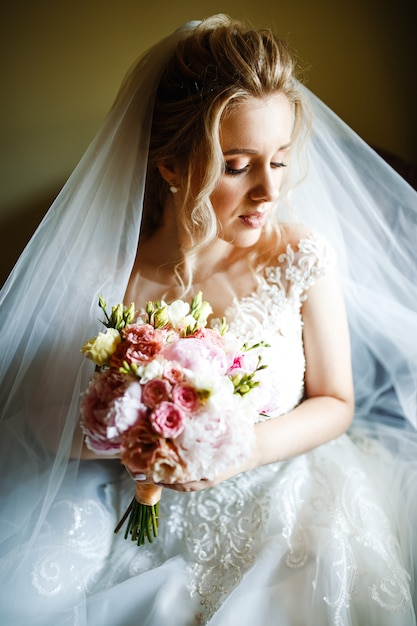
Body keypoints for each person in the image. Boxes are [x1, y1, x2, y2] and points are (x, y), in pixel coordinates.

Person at [0, 14, 417, 626]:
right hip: (140, 508)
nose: (268, 191)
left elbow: (336, 401)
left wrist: (241, 451)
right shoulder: (110, 277)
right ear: (170, 165)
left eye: (278, 160)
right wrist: (133, 433)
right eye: (237, 164)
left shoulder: (298, 255)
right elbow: (40, 423)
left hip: (288, 492)